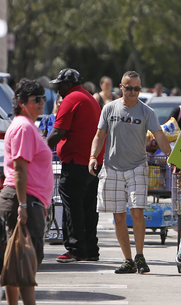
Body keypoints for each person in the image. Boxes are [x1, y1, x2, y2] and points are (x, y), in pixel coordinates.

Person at [88, 71, 172, 274]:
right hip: (112, 168)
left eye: (136, 88)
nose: (132, 92)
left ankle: (140, 256)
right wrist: (92, 157)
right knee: (118, 217)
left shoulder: (147, 112)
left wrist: (171, 156)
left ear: (140, 89)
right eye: (128, 87)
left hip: (137, 167)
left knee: (137, 212)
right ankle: (127, 260)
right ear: (121, 87)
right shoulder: (109, 109)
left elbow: (160, 136)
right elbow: (99, 135)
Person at [0, 79, 60, 305]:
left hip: (26, 200)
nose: (42, 102)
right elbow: (20, 168)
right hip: (23, 200)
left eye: (43, 98)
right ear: (22, 103)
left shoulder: (26, 125)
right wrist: (23, 205)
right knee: (27, 258)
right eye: (37, 99)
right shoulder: (23, 127)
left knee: (16, 256)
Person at [47, 68, 105, 263]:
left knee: (73, 206)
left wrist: (39, 150)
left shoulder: (71, 99)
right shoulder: (88, 97)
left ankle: (75, 249)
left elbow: (58, 132)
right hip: (92, 163)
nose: (58, 90)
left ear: (68, 84)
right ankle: (90, 249)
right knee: (88, 206)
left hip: (76, 163)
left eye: (60, 86)